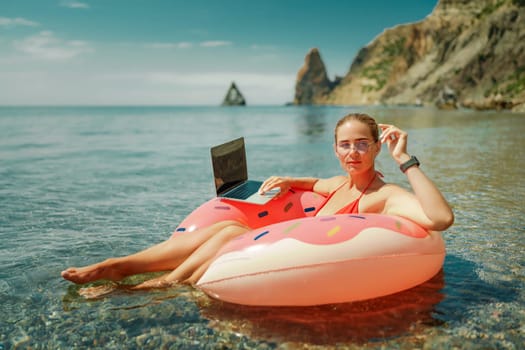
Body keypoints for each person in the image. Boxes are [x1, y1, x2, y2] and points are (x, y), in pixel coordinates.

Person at [61, 113, 454, 297]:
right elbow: (312, 182)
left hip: (297, 260)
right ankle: (121, 266)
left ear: (376, 146)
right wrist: (288, 180)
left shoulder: (383, 195)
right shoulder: (338, 183)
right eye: (345, 144)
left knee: (231, 231)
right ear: (335, 149)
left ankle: (155, 285)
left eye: (362, 144)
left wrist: (406, 158)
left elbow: (441, 218)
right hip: (265, 243)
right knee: (223, 228)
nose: (353, 152)